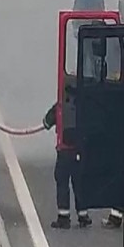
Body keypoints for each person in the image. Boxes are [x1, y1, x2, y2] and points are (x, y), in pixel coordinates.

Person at [43, 90, 91, 228]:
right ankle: (83, 215)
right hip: (78, 152)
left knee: (62, 183)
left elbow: (46, 122)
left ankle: (63, 217)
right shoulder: (82, 107)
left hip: (64, 152)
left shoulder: (59, 107)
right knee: (79, 183)